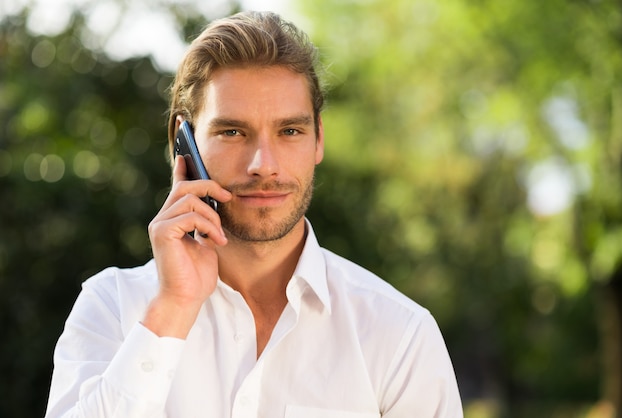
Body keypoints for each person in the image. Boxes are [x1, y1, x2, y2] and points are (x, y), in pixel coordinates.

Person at [45, 11, 463, 418]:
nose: (264, 164)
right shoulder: (112, 307)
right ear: (182, 143)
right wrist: (173, 308)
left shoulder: (399, 335)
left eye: (290, 131)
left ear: (318, 139)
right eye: (232, 132)